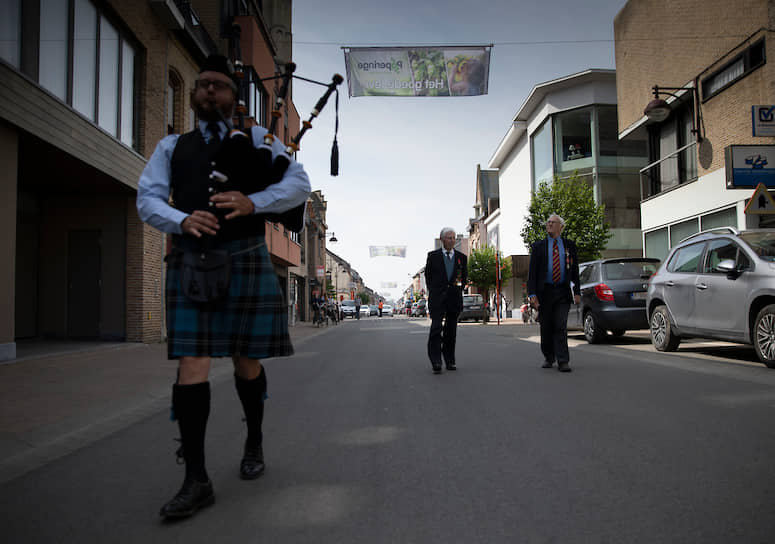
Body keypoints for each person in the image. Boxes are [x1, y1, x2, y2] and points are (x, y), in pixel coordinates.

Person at [136, 54, 311, 519]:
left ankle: (253, 439)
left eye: (218, 85)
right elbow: (147, 199)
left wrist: (253, 202)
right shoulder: (172, 147)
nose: (209, 91)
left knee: (245, 361)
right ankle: (196, 479)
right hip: (193, 260)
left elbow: (298, 186)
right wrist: (180, 217)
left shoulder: (260, 139)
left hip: (247, 258)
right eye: (203, 85)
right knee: (191, 363)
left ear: (234, 97)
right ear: (194, 96)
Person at [527, 214, 581, 372]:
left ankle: (563, 360)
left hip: (563, 292)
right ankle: (549, 356)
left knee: (560, 325)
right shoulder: (538, 247)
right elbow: (533, 273)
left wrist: (576, 292)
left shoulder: (569, 246)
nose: (549, 224)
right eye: (548, 222)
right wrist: (532, 295)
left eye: (553, 222)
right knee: (547, 327)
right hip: (545, 292)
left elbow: (575, 270)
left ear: (561, 227)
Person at [425, 227, 468, 374]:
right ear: (442, 239)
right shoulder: (433, 256)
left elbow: (463, 278)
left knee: (451, 331)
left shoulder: (462, 258)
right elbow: (428, 278)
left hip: (454, 299)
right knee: (436, 328)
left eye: (453, 237)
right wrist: (436, 291)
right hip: (437, 299)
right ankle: (436, 361)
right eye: (449, 237)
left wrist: (456, 291)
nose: (452, 240)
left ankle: (450, 360)